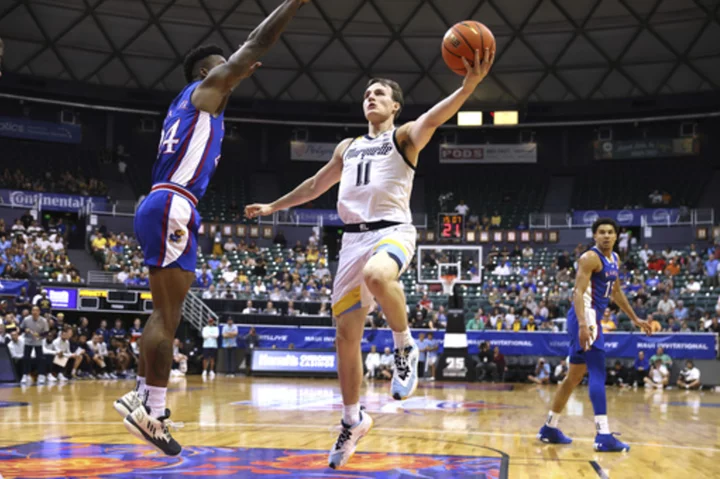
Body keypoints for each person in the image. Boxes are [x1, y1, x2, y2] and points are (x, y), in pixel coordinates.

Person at [245, 46, 495, 470]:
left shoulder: (403, 137)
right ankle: (352, 419)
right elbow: (314, 184)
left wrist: (467, 87)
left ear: (395, 106)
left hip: (393, 231)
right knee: (345, 337)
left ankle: (405, 346)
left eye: (379, 94)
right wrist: (273, 207)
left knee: (380, 276)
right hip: (351, 241)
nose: (371, 98)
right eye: (367, 94)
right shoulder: (348, 146)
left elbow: (434, 117)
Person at [114, 0, 310, 456]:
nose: (237, 72)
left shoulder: (190, 107)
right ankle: (153, 412)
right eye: (227, 68)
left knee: (163, 313)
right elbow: (257, 43)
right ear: (207, 71)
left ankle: (144, 398)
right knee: (169, 317)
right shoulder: (204, 91)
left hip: (164, 203)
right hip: (172, 203)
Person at [538, 218, 652, 452]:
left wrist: (634, 318)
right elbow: (577, 293)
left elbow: (616, 292)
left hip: (590, 319)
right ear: (595, 236)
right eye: (602, 232)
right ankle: (603, 435)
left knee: (574, 377)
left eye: (610, 232)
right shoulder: (590, 258)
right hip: (586, 319)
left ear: (617, 236)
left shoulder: (614, 259)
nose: (606, 236)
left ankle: (549, 427)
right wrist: (583, 324)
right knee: (598, 371)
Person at [20, 306, 49, 385]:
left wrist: (39, 335)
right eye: (33, 310)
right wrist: (25, 330)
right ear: (31, 312)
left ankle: (41, 375)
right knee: (26, 357)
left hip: (38, 341)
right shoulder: (26, 319)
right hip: (28, 341)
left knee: (40, 358)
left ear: (39, 312)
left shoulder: (43, 321)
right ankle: (25, 375)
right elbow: (21, 328)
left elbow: (46, 332)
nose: (35, 312)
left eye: (36, 310)